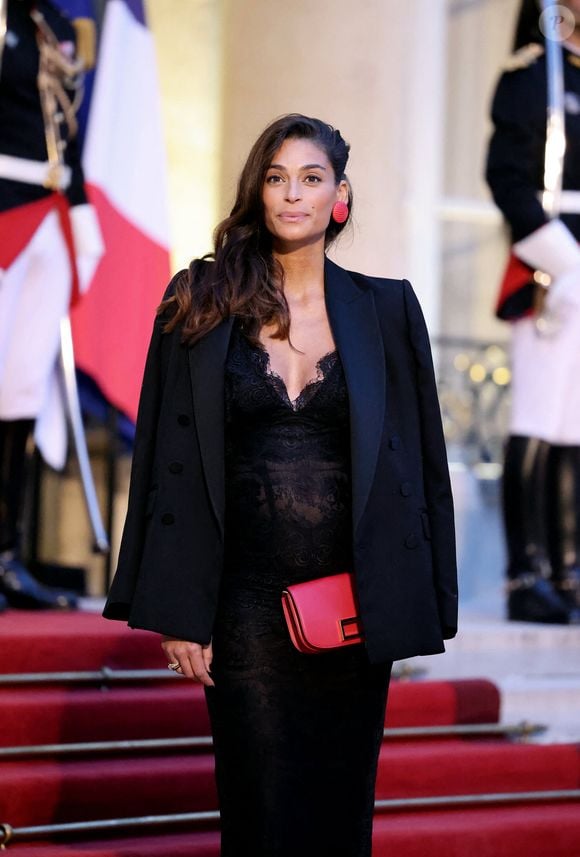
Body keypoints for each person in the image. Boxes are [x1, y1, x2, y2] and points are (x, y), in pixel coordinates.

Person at [103, 114, 458, 857]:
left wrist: (422, 597)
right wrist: (177, 607)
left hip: (352, 606)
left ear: (340, 196)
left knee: (339, 812)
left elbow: (422, 464)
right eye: (276, 177)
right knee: (261, 808)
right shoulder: (200, 298)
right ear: (258, 192)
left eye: (311, 178)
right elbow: (166, 460)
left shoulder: (387, 308)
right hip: (244, 607)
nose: (292, 194)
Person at [0, 0, 101, 611]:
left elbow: (68, 130)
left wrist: (83, 212)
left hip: (49, 217)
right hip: (2, 210)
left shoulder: (57, 27)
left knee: (20, 392)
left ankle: (6, 555)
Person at [486, 0, 580, 624]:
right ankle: (526, 575)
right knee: (538, 418)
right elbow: (507, 178)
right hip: (556, 266)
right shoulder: (531, 78)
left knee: (574, 427)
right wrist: (564, 260)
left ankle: (568, 571)